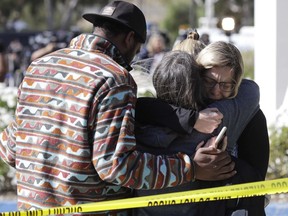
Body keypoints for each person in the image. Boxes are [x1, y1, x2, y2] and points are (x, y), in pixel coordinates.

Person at [0, 1, 236, 215]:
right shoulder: (114, 78)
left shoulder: (39, 68)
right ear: (130, 39)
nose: (133, 60)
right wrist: (190, 167)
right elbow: (116, 166)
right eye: (136, 49)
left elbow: (10, 149)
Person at [134, 35, 268, 215]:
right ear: (196, 81)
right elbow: (251, 90)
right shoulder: (216, 119)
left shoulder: (135, 129)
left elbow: (138, 105)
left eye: (225, 85)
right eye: (209, 81)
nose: (215, 91)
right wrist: (192, 119)